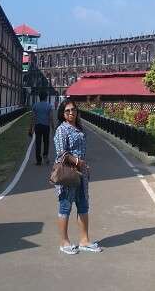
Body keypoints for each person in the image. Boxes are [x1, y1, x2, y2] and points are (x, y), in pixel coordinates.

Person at [54, 100, 102, 255]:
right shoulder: (62, 129)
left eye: (73, 110)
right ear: (62, 113)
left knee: (83, 205)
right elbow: (61, 153)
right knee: (65, 206)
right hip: (68, 173)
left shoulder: (78, 127)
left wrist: (83, 165)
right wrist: (77, 161)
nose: (71, 113)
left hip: (81, 173)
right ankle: (64, 242)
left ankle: (84, 240)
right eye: (67, 111)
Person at [29, 92, 54, 166]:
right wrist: (53, 127)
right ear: (46, 97)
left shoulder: (35, 106)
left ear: (39, 97)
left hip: (38, 126)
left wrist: (31, 128)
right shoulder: (49, 106)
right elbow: (51, 118)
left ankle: (38, 160)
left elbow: (33, 118)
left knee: (38, 143)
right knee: (46, 142)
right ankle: (45, 155)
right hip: (46, 126)